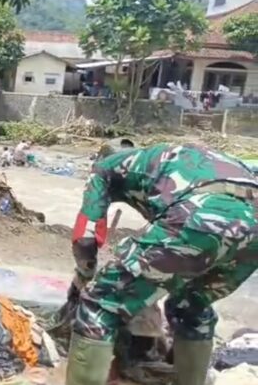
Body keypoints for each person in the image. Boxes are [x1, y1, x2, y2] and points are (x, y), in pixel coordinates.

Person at [66, 143, 258, 385]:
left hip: (202, 213)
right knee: (191, 304)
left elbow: (85, 237)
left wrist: (85, 274)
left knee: (100, 303)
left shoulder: (105, 168)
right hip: (254, 225)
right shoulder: (169, 157)